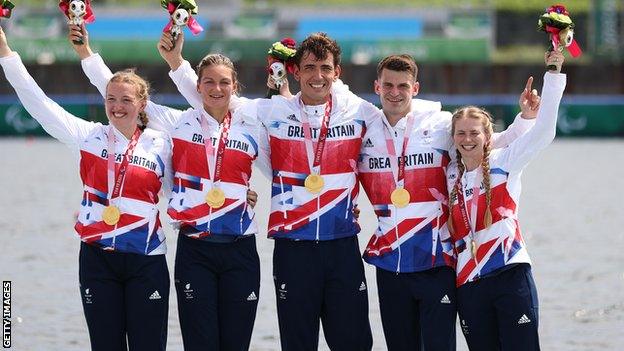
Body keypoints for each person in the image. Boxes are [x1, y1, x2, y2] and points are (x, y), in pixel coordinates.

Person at [168, 32, 375, 350]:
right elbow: (212, 96)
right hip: (293, 249)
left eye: (324, 68)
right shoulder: (269, 111)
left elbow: (399, 125)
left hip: (341, 245)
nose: (317, 76)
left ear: (337, 73)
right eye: (308, 68)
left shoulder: (360, 113)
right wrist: (175, 62)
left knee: (353, 343)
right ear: (295, 71)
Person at [68, 25, 270, 350]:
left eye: (224, 83)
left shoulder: (252, 123)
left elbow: (285, 167)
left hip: (241, 249)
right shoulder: (178, 123)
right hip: (194, 249)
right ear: (198, 86)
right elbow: (124, 94)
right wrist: (86, 55)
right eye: (208, 82)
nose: (216, 89)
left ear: (236, 87)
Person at [353, 53, 540, 350]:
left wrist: (526, 119)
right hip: (390, 262)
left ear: (415, 88)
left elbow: (488, 142)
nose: (395, 92)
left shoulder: (439, 124)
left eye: (403, 86)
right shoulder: (363, 130)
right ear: (377, 87)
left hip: (436, 261)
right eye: (388, 85)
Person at [0, 27, 172, 350]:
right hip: (97, 259)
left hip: (146, 259)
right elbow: (39, 105)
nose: (117, 107)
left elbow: (184, 191)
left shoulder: (162, 145)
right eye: (111, 99)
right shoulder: (89, 136)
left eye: (126, 100)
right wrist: (5, 53)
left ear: (142, 103)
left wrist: (243, 193)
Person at [446, 51, 565, 350]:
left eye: (474, 133)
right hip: (469, 282)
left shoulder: (506, 161)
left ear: (488, 136)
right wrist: (523, 118)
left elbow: (544, 132)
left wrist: (552, 74)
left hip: (510, 273)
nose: (467, 138)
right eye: (461, 133)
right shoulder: (449, 174)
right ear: (453, 137)